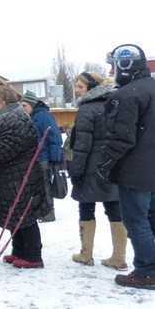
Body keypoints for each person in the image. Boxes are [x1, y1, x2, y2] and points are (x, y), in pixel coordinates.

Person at [97, 44, 155, 289]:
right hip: (149, 168)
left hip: (135, 170)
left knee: (136, 221)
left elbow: (121, 137)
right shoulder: (150, 87)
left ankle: (147, 270)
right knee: (151, 219)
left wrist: (105, 164)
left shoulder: (127, 94)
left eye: (114, 64)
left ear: (124, 64)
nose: (111, 69)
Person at [0, 85, 50, 268]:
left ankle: (33, 255)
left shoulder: (16, 119)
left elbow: (6, 149)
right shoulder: (8, 118)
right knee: (14, 215)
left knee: (25, 217)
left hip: (21, 176)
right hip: (12, 174)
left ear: (3, 103)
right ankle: (19, 250)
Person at [69, 72, 127, 269]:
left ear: (91, 88)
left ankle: (86, 254)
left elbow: (82, 144)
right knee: (114, 208)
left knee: (86, 207)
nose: (76, 90)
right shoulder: (115, 104)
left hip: (90, 166)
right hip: (112, 164)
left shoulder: (87, 108)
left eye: (80, 86)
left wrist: (76, 170)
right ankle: (119, 257)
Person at [20, 90, 63, 222]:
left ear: (32, 105)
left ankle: (49, 212)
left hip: (43, 158)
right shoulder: (30, 117)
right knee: (37, 186)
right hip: (33, 158)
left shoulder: (43, 116)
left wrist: (54, 159)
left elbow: (55, 137)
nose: (22, 109)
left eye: (24, 106)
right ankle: (40, 211)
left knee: (45, 185)